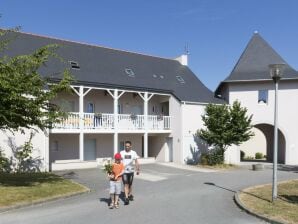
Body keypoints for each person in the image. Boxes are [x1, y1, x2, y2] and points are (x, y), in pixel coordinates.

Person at [120, 140, 140, 205]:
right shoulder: (121, 153)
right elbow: (118, 161)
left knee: (130, 184)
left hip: (131, 171)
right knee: (126, 184)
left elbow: (136, 161)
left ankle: (130, 194)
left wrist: (138, 169)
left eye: (128, 146)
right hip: (124, 171)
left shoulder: (133, 153)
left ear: (131, 146)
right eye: (126, 146)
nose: (127, 147)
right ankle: (126, 198)